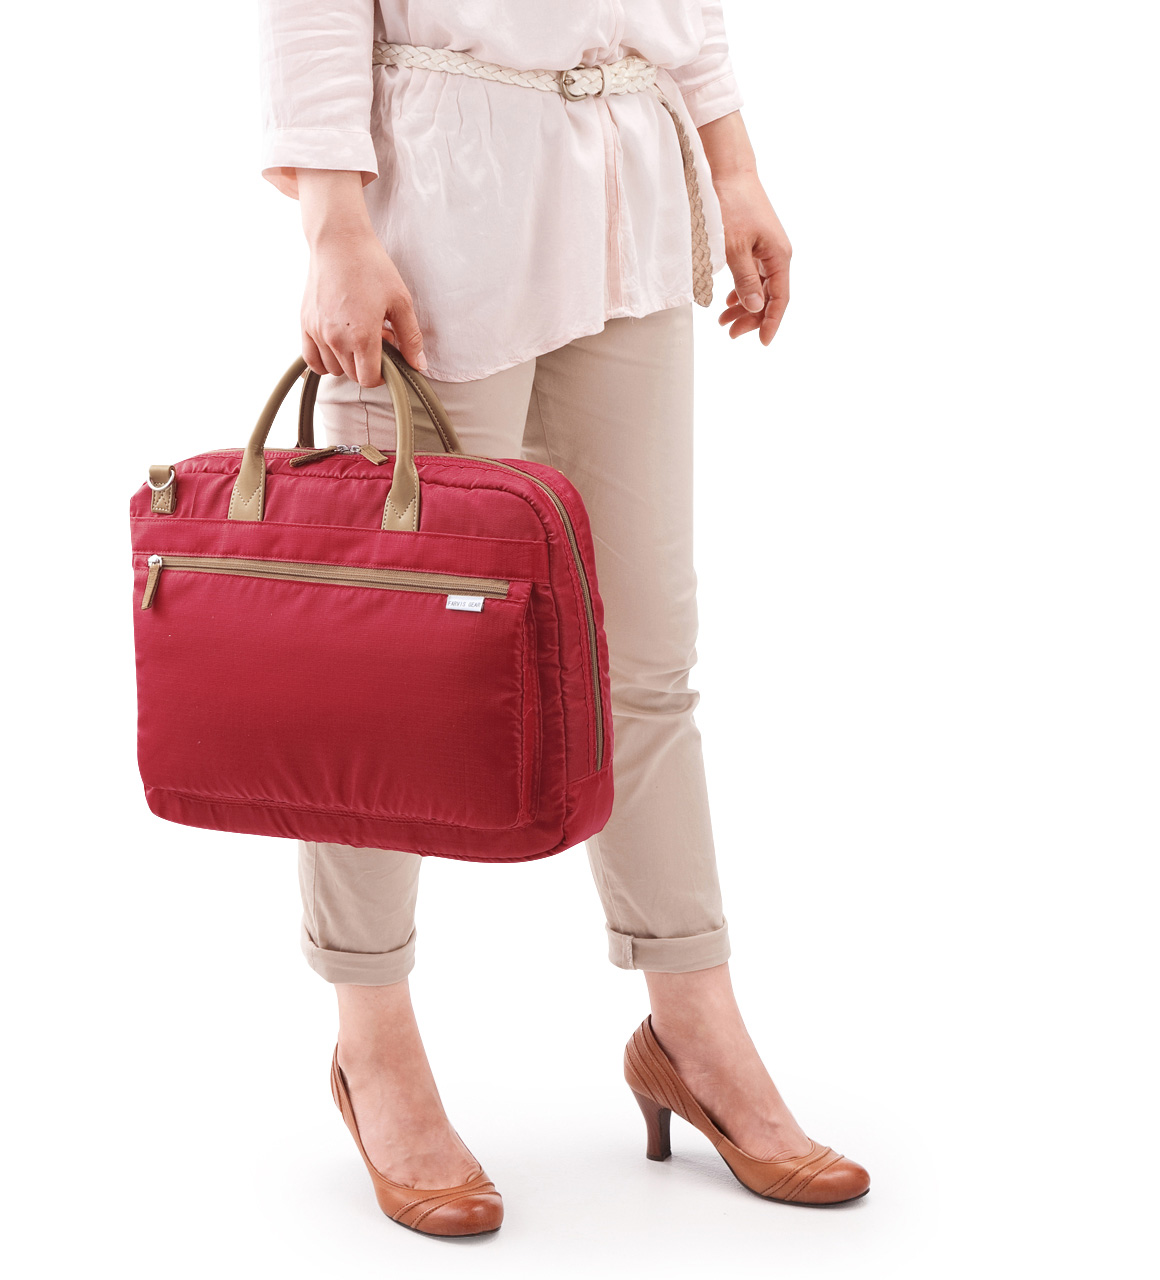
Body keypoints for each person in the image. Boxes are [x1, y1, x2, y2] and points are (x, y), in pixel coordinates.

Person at [259, 0, 869, 1235]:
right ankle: (371, 1042)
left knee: (643, 658)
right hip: (438, 214)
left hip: (628, 205)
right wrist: (333, 222)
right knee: (388, 674)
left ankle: (692, 1025)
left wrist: (732, 161)